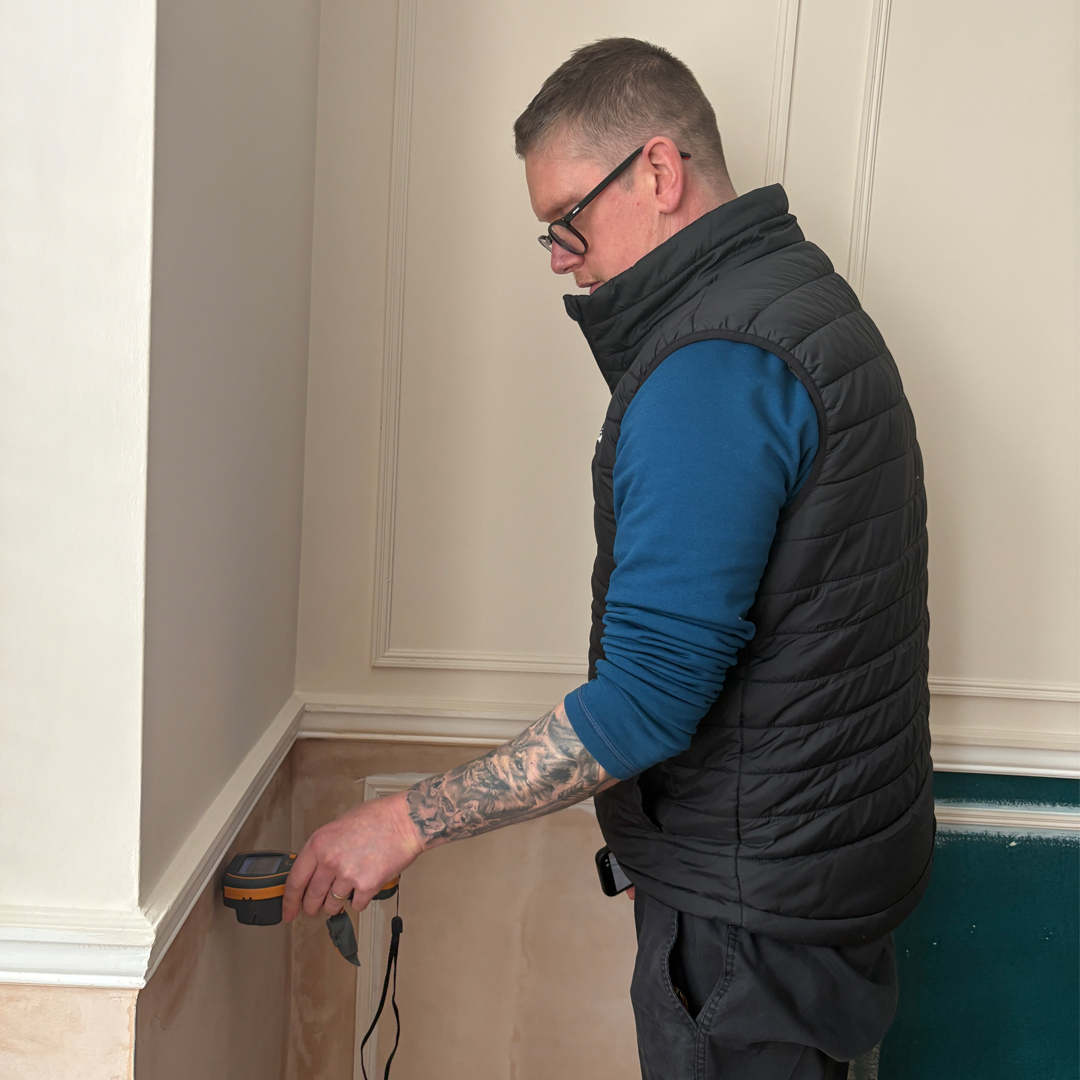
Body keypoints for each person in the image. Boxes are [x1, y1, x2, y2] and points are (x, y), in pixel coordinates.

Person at [283, 38, 933, 1080]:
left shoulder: (714, 366)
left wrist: (404, 819)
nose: (558, 256)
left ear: (661, 173)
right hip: (810, 887)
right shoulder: (803, 299)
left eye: (566, 220)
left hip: (749, 928)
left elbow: (648, 701)